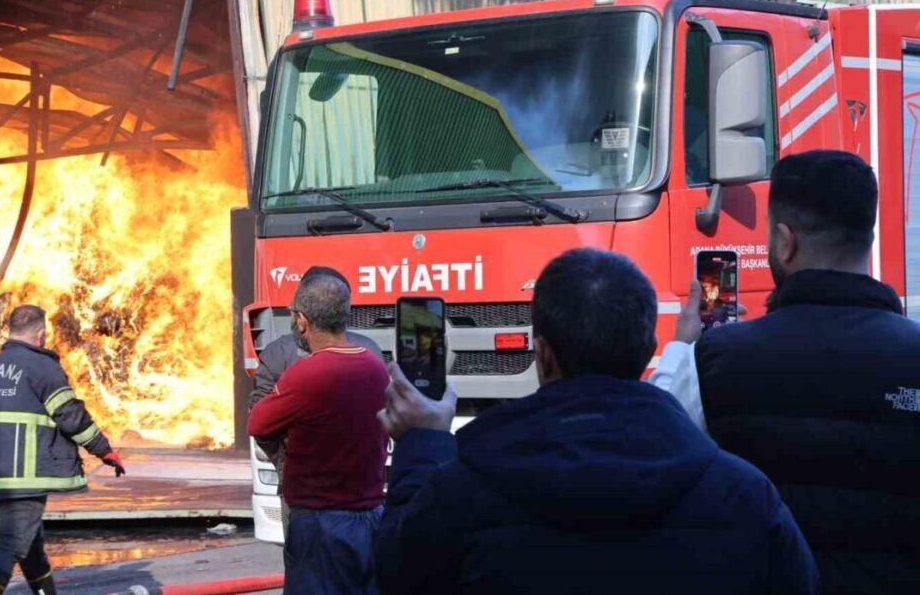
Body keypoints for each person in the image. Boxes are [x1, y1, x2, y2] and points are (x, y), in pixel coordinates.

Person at [375, 248, 817, 594]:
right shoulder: (746, 496)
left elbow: (397, 573)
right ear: (647, 350)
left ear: (542, 355)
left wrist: (422, 445)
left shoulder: (459, 492)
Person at [649, 150, 920, 593]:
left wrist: (682, 346)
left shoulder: (714, 359)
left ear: (785, 241)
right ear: (867, 237)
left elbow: (656, 451)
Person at [0, 305, 126, 595]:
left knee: (29, 543)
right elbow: (71, 416)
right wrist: (104, 451)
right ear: (41, 335)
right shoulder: (44, 369)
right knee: (11, 545)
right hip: (25, 480)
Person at [247, 273, 389, 594]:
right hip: (370, 518)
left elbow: (258, 423)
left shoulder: (305, 375)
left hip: (320, 524)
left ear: (302, 320)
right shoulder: (375, 366)